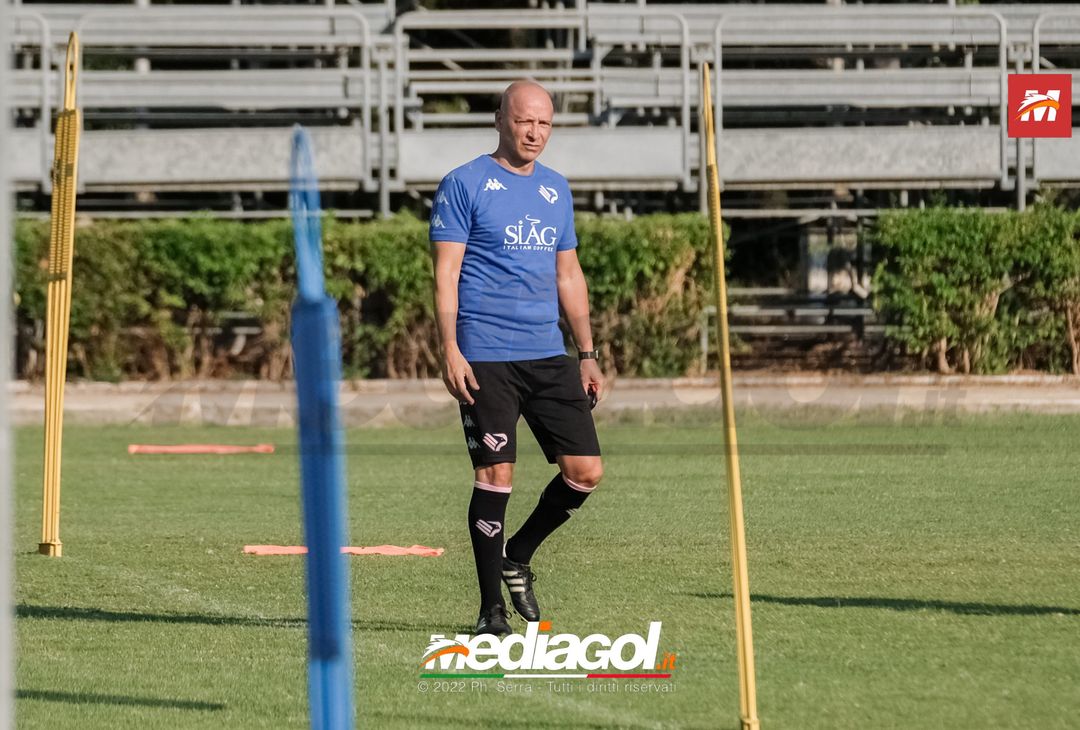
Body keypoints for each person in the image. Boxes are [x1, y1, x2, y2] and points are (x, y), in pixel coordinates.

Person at [429, 80, 605, 636]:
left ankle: (518, 554)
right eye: (525, 121)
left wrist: (587, 352)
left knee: (585, 473)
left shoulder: (556, 189)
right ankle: (490, 613)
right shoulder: (463, 184)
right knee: (496, 474)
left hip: (547, 353)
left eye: (545, 124)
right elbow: (446, 273)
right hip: (485, 355)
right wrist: (450, 348)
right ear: (500, 119)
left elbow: (567, 273)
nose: (535, 133)